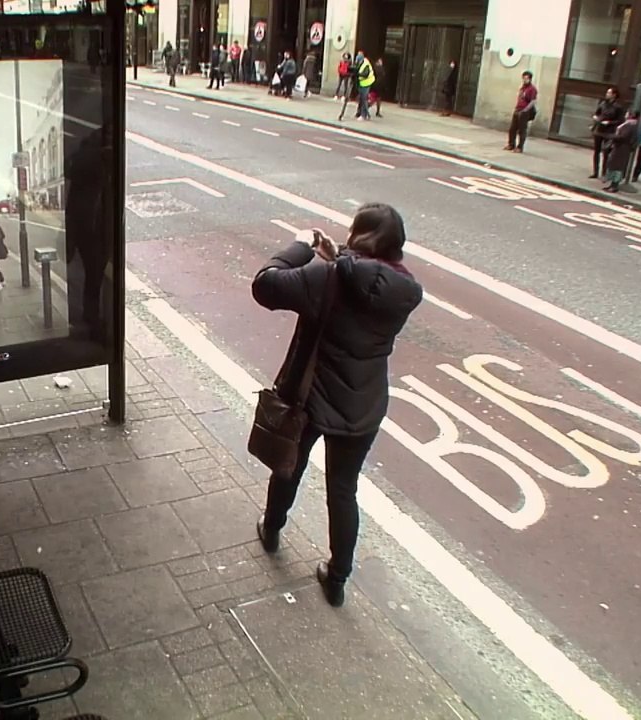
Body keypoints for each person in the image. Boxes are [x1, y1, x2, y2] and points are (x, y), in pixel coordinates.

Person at [251, 204, 423, 608]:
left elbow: (266, 286)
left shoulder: (326, 277)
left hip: (311, 397)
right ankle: (338, 578)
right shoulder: (406, 291)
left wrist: (298, 248)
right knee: (343, 490)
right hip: (364, 404)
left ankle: (273, 527)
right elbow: (365, 278)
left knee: (288, 464)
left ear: (358, 236)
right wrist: (341, 257)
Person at [590, 87, 624, 179]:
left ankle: (604, 173)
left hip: (609, 132)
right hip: (599, 130)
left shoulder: (618, 107)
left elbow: (620, 120)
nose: (607, 94)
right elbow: (596, 113)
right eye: (607, 93)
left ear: (614, 95)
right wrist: (595, 118)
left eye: (609, 93)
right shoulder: (602, 104)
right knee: (596, 151)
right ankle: (595, 172)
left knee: (606, 152)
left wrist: (609, 122)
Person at [603, 110, 640, 193]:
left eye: (627, 113)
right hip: (619, 147)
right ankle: (612, 184)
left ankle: (614, 186)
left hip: (622, 148)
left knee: (618, 167)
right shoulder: (629, 124)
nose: (626, 114)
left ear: (631, 115)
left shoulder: (631, 125)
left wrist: (613, 136)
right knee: (614, 165)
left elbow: (623, 136)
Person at [505, 70, 538, 153]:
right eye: (523, 78)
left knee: (522, 130)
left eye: (526, 78)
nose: (524, 80)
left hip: (524, 112)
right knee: (512, 129)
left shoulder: (532, 89)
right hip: (517, 109)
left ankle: (520, 147)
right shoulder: (522, 88)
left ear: (530, 79)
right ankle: (511, 144)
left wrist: (525, 110)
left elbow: (533, 101)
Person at [352, 50, 375, 120]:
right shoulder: (360, 62)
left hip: (367, 82)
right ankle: (359, 113)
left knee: (364, 99)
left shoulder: (366, 64)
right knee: (361, 99)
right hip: (362, 83)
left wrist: (358, 74)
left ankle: (364, 115)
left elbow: (365, 74)